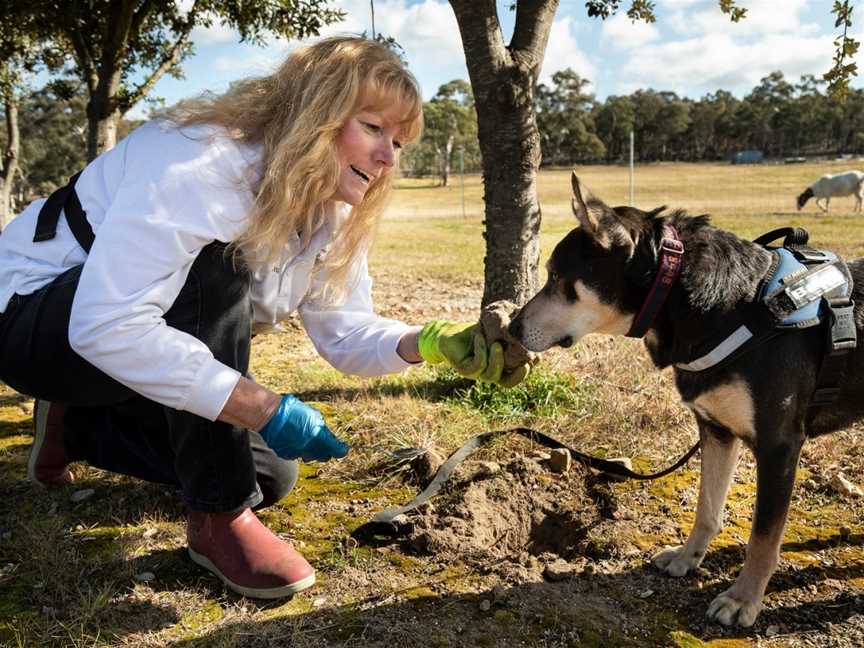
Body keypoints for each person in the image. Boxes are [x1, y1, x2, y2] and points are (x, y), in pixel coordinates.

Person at [0, 36, 529, 599]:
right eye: (374, 128)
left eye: (397, 141)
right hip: (33, 323)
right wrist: (263, 405)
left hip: (126, 343)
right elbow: (103, 324)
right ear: (316, 112)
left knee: (273, 475)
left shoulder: (328, 201)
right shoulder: (203, 161)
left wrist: (429, 341)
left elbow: (343, 330)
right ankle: (218, 519)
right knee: (218, 270)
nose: (388, 157)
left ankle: (76, 424)